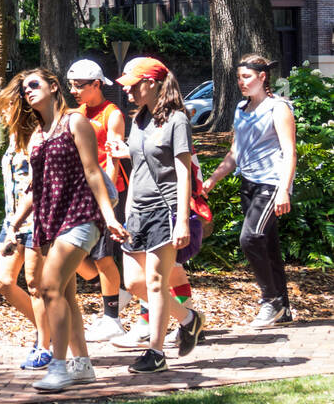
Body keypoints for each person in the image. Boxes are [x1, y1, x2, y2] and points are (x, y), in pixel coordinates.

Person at [7, 68, 126, 393]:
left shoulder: (75, 122)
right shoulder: (37, 136)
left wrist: (110, 217)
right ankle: (82, 365)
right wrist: (14, 227)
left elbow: (92, 171)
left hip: (81, 216)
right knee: (67, 295)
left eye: (34, 85)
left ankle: (58, 367)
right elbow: (35, 189)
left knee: (49, 288)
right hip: (49, 221)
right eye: (24, 89)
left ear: (53, 86)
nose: (27, 91)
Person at [115, 57, 204, 373]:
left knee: (155, 282)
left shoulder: (177, 121)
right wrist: (126, 211)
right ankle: (188, 318)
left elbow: (183, 172)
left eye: (132, 85)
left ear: (151, 83)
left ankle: (156, 352)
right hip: (137, 211)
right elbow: (138, 165)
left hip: (165, 211)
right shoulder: (139, 119)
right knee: (134, 282)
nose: (127, 92)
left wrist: (182, 219)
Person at [203, 53, 298, 328]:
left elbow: (290, 153)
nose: (241, 83)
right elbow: (235, 152)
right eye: (239, 78)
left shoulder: (278, 108)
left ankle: (271, 302)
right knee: (268, 246)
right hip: (249, 184)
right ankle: (284, 309)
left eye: (246, 77)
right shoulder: (241, 109)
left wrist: (284, 191)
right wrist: (213, 179)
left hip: (271, 184)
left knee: (250, 238)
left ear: (262, 77)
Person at [0, 72, 50, 370]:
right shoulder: (13, 139)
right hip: (12, 221)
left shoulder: (38, 137)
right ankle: (49, 331)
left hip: (36, 220)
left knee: (37, 286)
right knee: (3, 281)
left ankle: (45, 343)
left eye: (10, 106)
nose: (4, 111)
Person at [66, 59, 132, 342]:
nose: (74, 91)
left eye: (79, 86)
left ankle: (112, 319)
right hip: (82, 194)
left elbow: (113, 159)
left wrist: (106, 198)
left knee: (104, 256)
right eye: (71, 86)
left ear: (96, 85)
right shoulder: (77, 113)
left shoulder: (111, 114)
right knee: (80, 256)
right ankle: (119, 294)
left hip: (108, 192)